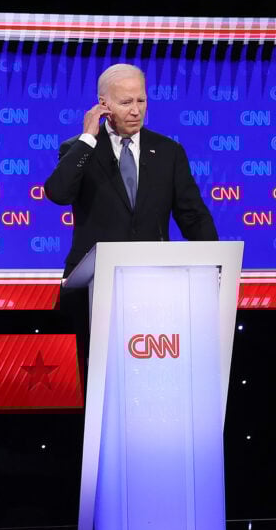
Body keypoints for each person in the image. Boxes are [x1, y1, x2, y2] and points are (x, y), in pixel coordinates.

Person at [44, 63, 218, 384]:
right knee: (98, 381)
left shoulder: (168, 151)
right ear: (103, 104)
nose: (136, 111)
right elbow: (57, 192)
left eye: (141, 101)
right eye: (126, 103)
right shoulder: (79, 150)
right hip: (93, 290)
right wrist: (87, 138)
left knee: (151, 378)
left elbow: (192, 215)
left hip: (153, 288)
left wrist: (215, 268)